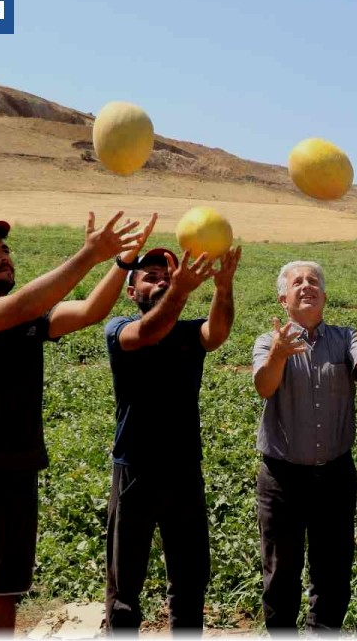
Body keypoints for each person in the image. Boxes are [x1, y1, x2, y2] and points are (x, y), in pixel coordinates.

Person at [0, 212, 152, 633]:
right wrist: (89, 254)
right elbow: (27, 303)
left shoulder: (26, 320)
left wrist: (122, 262)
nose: (3, 257)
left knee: (5, 592)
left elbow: (89, 311)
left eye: (4, 249)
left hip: (19, 474)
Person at [103, 244, 240, 635]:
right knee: (125, 579)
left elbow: (217, 334)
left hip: (183, 469)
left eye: (167, 276)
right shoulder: (119, 329)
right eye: (151, 277)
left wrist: (224, 287)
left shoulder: (186, 331)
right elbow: (148, 332)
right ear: (132, 291)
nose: (162, 281)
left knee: (189, 574)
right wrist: (180, 289)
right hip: (134, 469)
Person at [251, 261, 357, 632]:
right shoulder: (268, 341)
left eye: (314, 282)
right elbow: (264, 387)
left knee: (332, 572)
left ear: (324, 296)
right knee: (280, 572)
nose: (307, 286)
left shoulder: (346, 338)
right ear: (283, 298)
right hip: (281, 477)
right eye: (298, 282)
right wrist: (279, 354)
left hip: (334, 474)